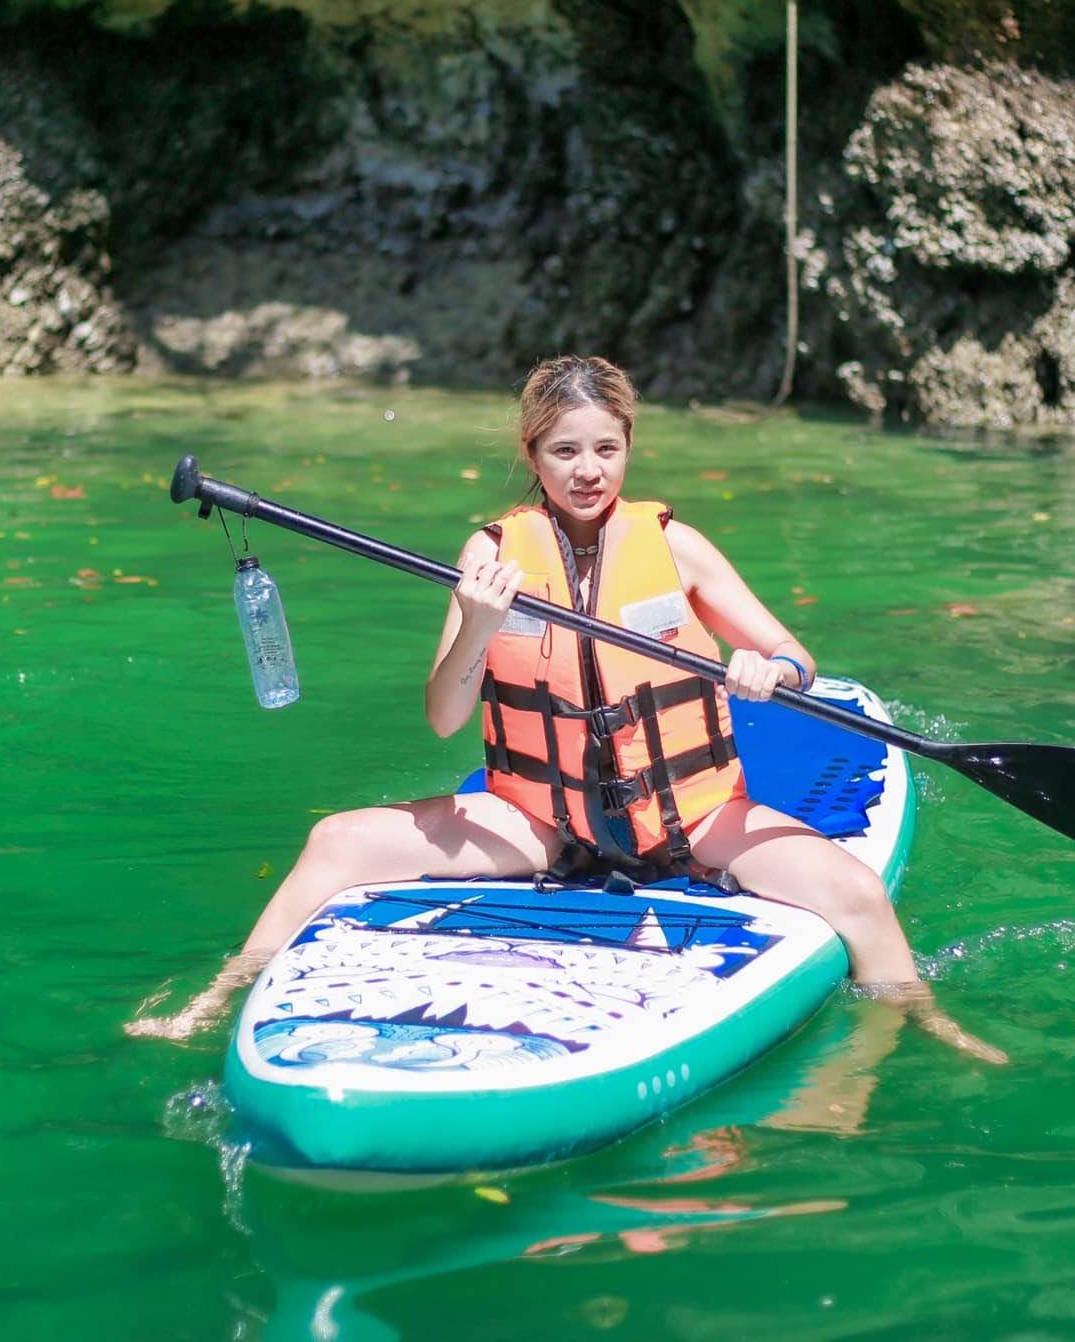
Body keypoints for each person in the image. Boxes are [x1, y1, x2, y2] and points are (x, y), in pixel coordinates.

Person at [129, 356, 1005, 1063]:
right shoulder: (490, 553)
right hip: (538, 817)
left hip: (691, 816)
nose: (588, 471)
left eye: (606, 450)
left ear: (628, 447)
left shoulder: (676, 547)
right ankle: (217, 1002)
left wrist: (765, 670)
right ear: (533, 452)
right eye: (565, 452)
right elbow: (443, 717)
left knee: (852, 895)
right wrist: (476, 620)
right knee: (336, 842)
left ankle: (917, 1027)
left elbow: (795, 656)